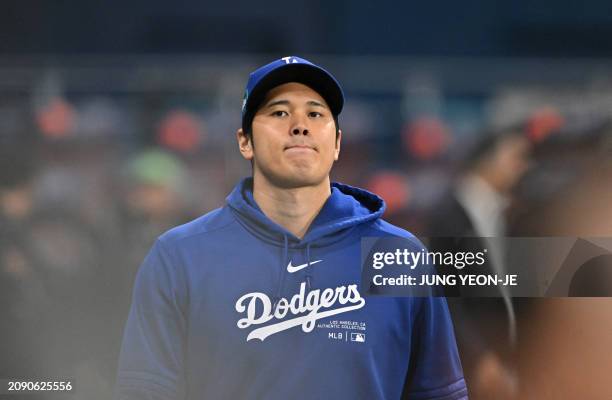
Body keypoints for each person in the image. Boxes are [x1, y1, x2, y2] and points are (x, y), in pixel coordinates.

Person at [114, 56, 467, 400]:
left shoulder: (397, 255)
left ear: (338, 144)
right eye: (279, 112)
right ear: (244, 141)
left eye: (316, 113)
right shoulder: (180, 256)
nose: (300, 125)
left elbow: (437, 392)